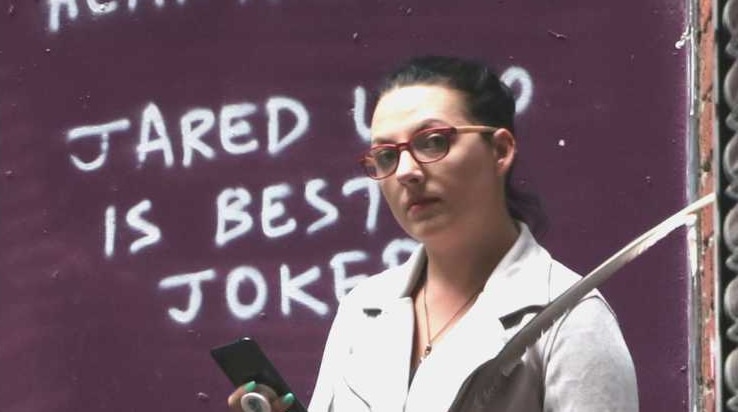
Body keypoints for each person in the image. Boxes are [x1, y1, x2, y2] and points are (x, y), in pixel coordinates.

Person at [227, 55, 639, 412]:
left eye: (432, 142)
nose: (406, 172)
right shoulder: (363, 309)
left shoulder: (571, 316)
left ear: (500, 150)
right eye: (386, 155)